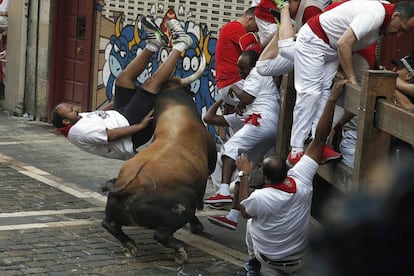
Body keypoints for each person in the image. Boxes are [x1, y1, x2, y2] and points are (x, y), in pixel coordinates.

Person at [238, 79, 347, 276]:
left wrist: (244, 174)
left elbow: (243, 210)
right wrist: (331, 99)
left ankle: (253, 264)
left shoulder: (260, 197)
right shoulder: (301, 179)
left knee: (251, 220)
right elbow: (320, 139)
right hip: (300, 260)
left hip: (269, 262)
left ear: (266, 178)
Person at [287, 1, 414, 167]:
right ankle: (295, 151)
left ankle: (318, 143)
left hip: (330, 48)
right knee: (310, 93)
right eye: (401, 28)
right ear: (396, 16)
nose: (398, 35)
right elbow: (344, 43)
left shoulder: (385, 15)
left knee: (326, 94)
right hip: (315, 40)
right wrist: (352, 79)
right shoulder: (376, 15)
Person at [51, 17, 193, 160]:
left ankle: (153, 45)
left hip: (121, 113)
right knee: (150, 84)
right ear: (65, 122)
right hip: (131, 129)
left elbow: (99, 114)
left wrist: (117, 99)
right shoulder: (79, 131)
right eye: (70, 110)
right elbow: (111, 135)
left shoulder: (78, 120)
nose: (75, 108)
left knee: (122, 80)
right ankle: (181, 44)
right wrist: (140, 126)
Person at [204, 50, 291, 230]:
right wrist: (239, 101)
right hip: (269, 127)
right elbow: (244, 101)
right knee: (244, 170)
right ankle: (233, 216)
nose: (240, 72)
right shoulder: (260, 80)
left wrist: (233, 89)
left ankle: (223, 191)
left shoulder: (257, 72)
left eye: (242, 68)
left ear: (252, 66)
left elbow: (245, 97)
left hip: (261, 122)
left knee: (229, 149)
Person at [215, 7, 258, 108]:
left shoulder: (232, 27)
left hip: (229, 84)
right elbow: (256, 52)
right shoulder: (235, 28)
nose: (258, 28)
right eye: (258, 23)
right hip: (233, 82)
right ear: (250, 19)